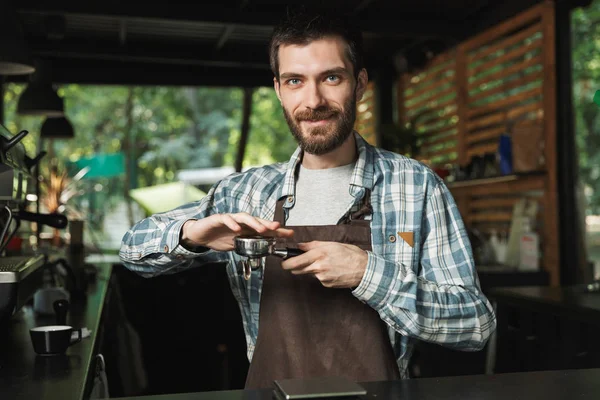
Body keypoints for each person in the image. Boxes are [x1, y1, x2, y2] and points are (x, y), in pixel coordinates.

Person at [119, 7, 496, 390]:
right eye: (295, 80)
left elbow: (475, 325)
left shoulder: (416, 186)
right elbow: (133, 252)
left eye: (331, 77)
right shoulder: (245, 192)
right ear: (280, 90)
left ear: (360, 83)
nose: (313, 100)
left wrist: (369, 275)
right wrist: (193, 235)